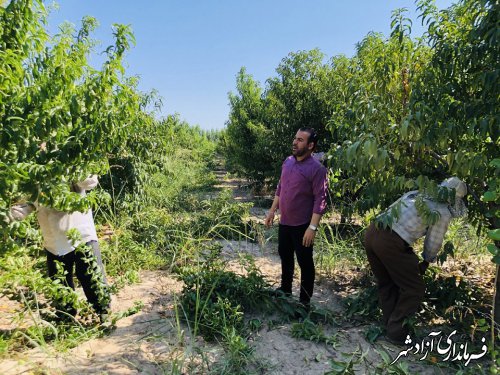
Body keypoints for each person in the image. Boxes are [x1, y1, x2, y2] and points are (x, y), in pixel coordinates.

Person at [363, 177, 468, 345]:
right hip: (390, 241)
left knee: (387, 282)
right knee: (414, 288)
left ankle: (389, 324)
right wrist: (426, 261)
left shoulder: (416, 194)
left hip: (372, 231)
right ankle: (397, 333)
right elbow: (434, 242)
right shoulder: (442, 212)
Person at [9, 175, 110, 321]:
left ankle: (104, 314)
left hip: (81, 234)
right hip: (53, 238)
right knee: (60, 284)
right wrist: (18, 212)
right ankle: (66, 320)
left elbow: (91, 182)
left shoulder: (71, 156)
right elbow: (30, 202)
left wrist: (74, 170)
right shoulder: (34, 165)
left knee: (91, 277)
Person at [264, 128, 328, 310]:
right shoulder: (288, 161)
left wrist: (312, 227)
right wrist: (271, 211)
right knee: (285, 257)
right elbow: (280, 187)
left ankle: (304, 303)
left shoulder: (317, 169)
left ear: (310, 145)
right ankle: (285, 290)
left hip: (303, 226)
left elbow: (320, 200)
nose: (295, 142)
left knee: (305, 264)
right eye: (295, 138)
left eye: (300, 140)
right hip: (285, 222)